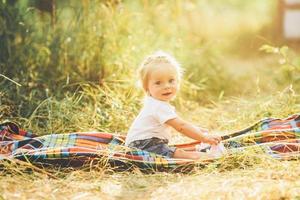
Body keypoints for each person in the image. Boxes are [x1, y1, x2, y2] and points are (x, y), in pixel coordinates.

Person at [125, 51, 223, 160]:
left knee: (175, 151)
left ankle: (201, 153)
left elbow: (180, 124)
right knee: (180, 154)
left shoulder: (154, 102)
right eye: (158, 83)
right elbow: (181, 126)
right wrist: (204, 138)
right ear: (146, 87)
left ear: (178, 81)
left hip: (141, 144)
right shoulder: (158, 106)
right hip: (144, 145)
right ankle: (208, 157)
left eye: (171, 81)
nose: (166, 86)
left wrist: (196, 130)